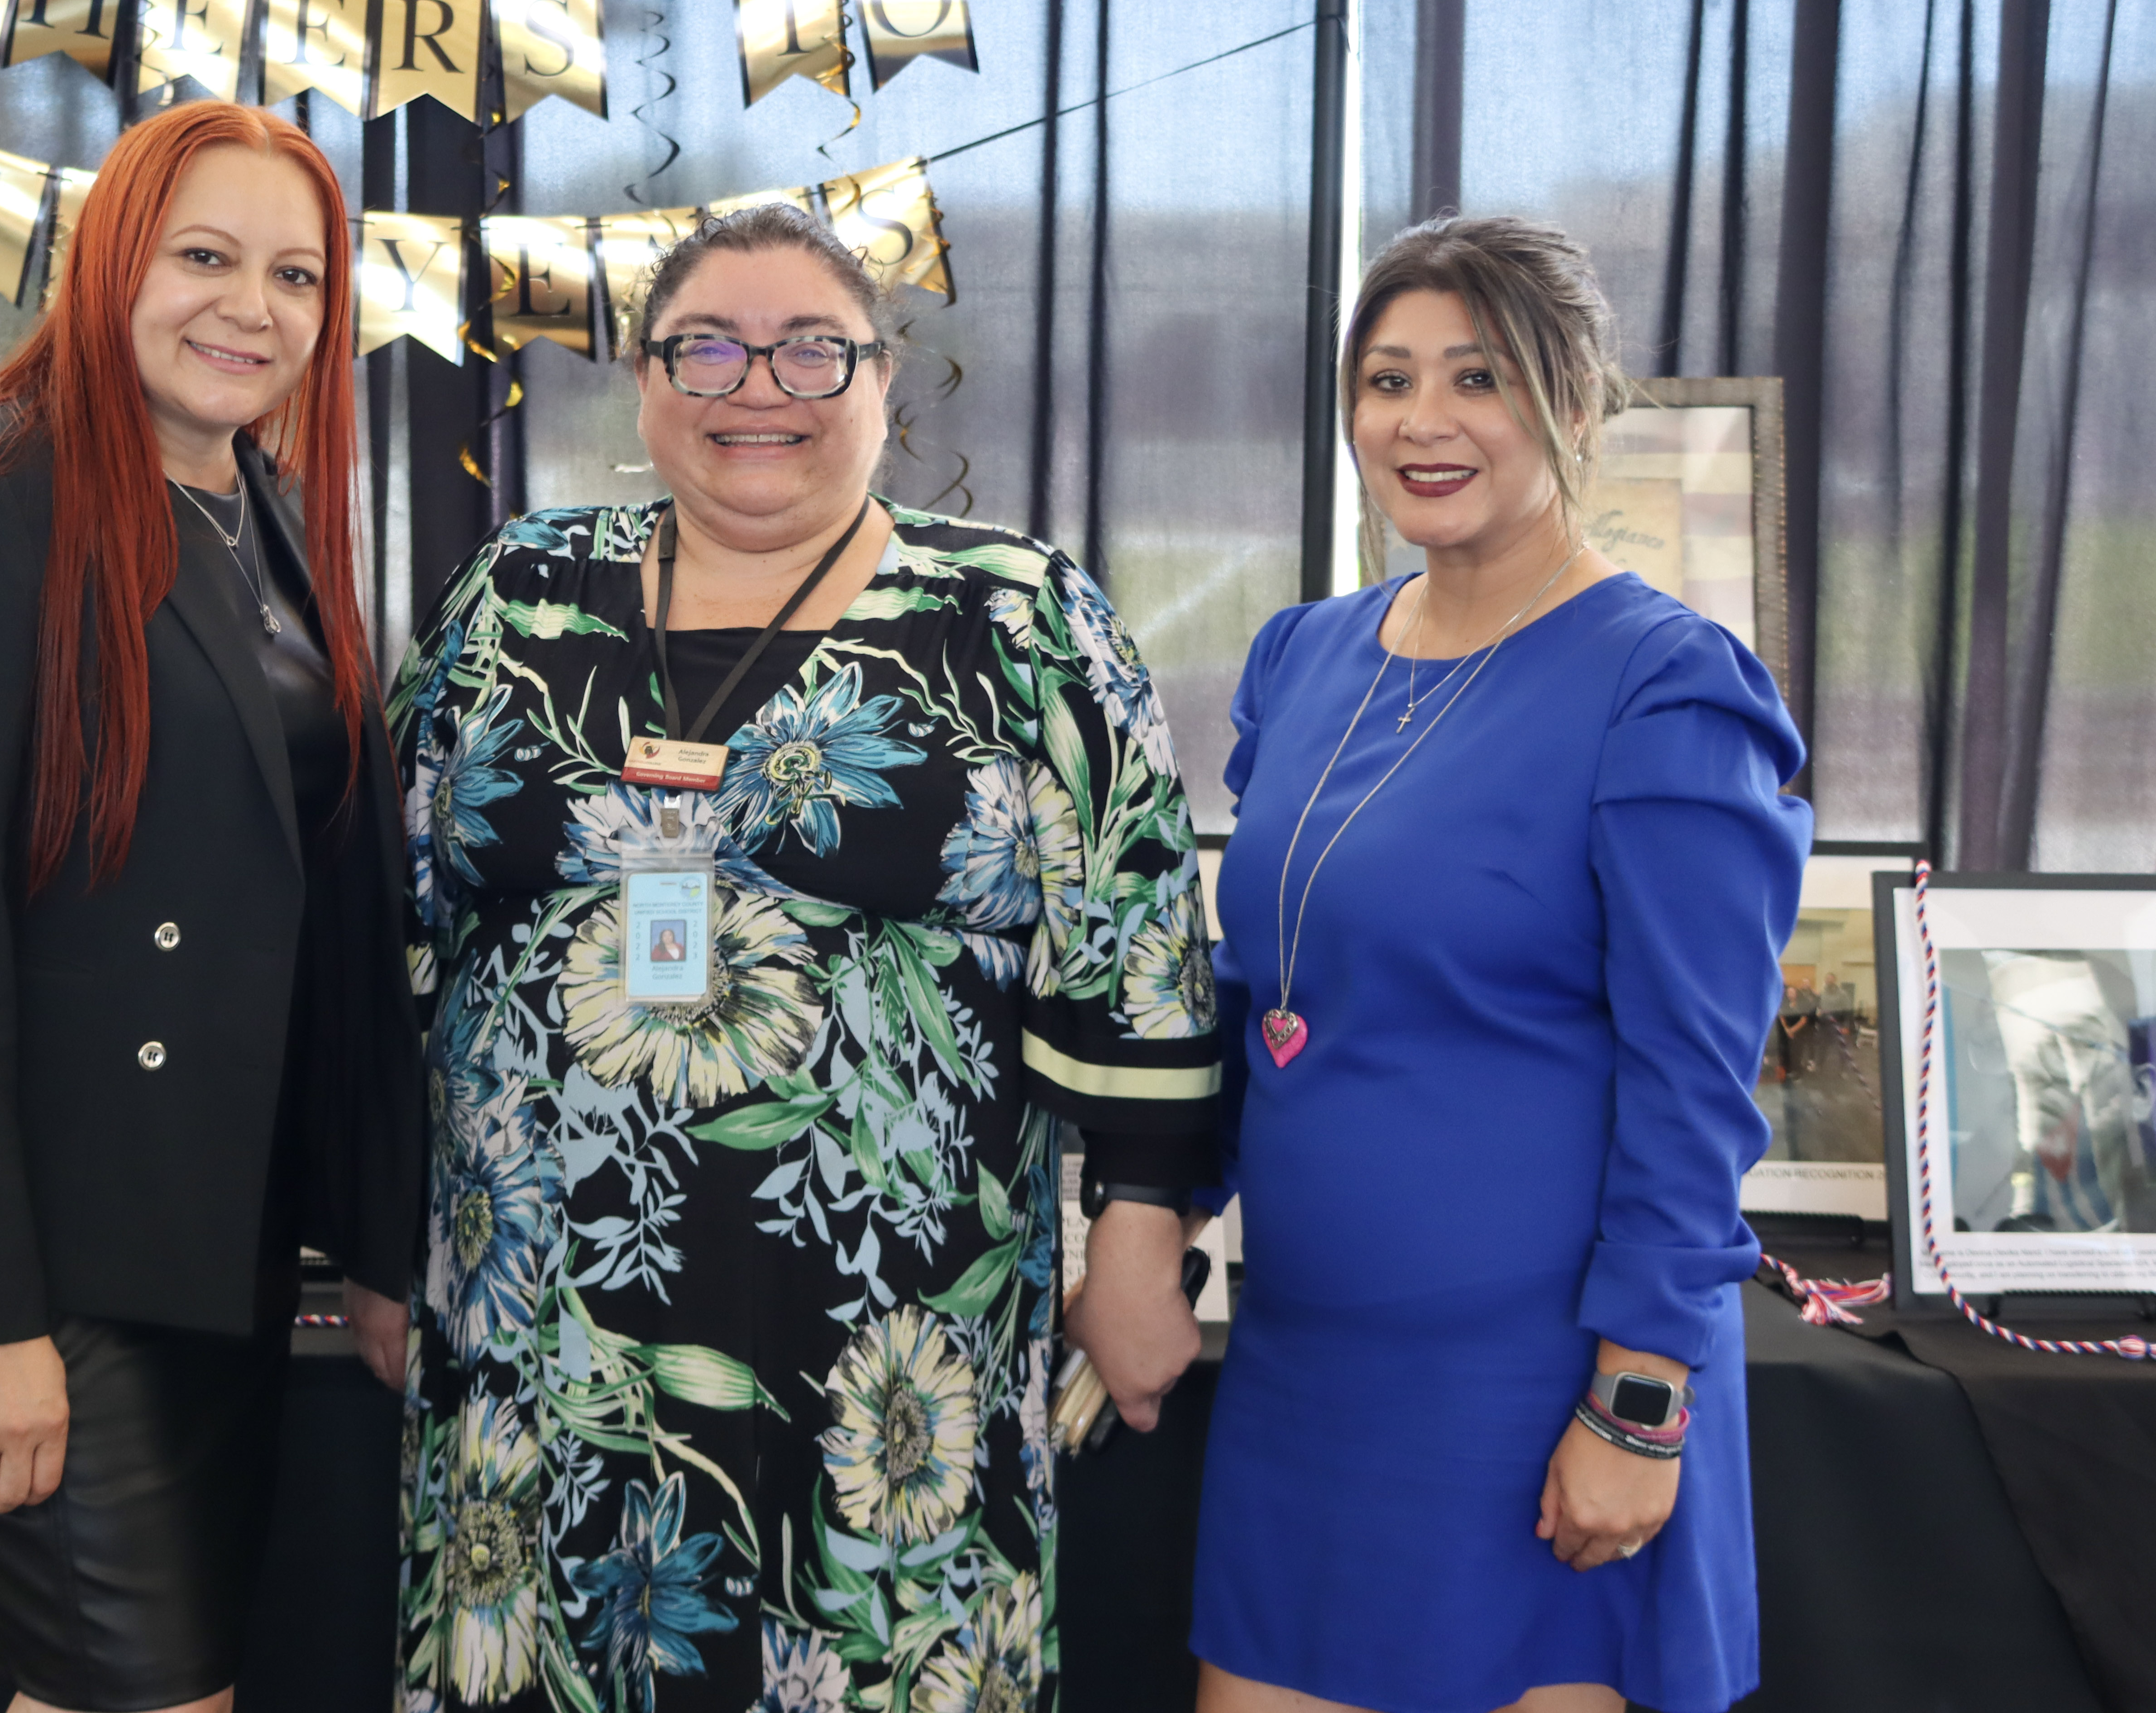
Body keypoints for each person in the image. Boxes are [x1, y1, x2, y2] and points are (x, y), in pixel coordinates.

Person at [384, 202, 1220, 1710]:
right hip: (543, 1332)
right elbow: (387, 921)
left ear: (883, 379)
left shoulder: (1021, 615)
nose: (751, 387)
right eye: (703, 345)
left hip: (893, 1354)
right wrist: (376, 1238)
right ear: (641, 382)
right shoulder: (513, 599)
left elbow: (1137, 941)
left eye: (807, 349)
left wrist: (1140, 1228)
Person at [0, 101, 421, 1713]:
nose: (250, 308)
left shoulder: (267, 511)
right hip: (39, 1247)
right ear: (113, 259)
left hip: (207, 1228)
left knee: (139, 1688)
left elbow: (322, 919)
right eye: (204, 256)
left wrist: (378, 1243)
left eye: (295, 275)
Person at [1153, 216, 1809, 1713]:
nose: (1420, 420)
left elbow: (1692, 1083)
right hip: (1304, 1356)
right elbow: (1258, 991)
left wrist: (1636, 1405)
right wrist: (1153, 1215)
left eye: (1476, 376)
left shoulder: (1664, 683)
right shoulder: (1300, 655)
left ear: (1570, 404)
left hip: (1530, 1380)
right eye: (1384, 380)